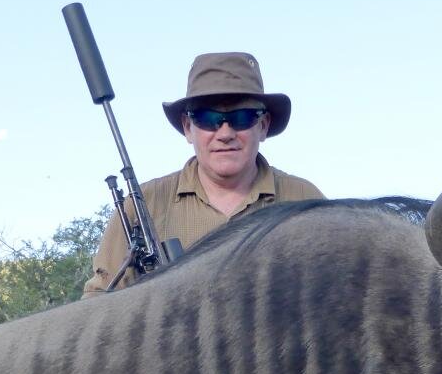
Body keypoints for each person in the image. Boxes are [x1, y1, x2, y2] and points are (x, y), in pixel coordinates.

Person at [82, 51, 324, 295]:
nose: (225, 133)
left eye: (242, 117)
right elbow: (98, 302)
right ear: (188, 128)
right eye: (208, 118)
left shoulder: (306, 200)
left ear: (263, 126)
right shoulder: (143, 205)